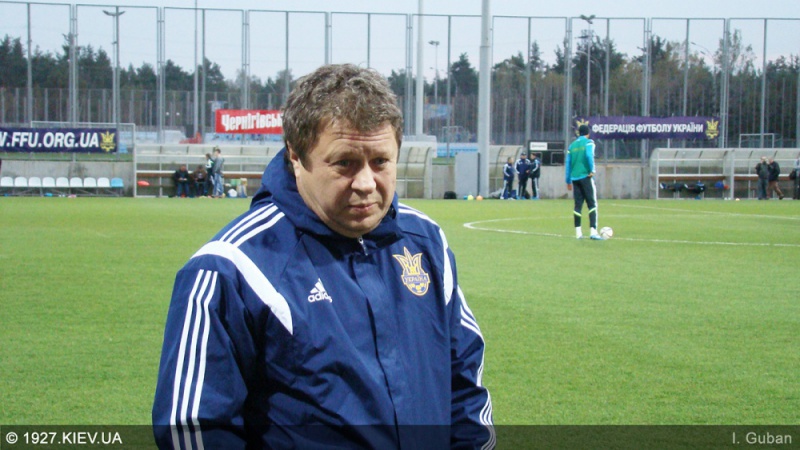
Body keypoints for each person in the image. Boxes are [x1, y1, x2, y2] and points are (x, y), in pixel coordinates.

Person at [152, 63, 494, 449]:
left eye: (381, 162)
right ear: (296, 156)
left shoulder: (425, 242)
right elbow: (194, 430)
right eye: (344, 163)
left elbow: (465, 388)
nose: (366, 183)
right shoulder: (230, 269)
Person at [566, 124, 602, 240]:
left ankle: (578, 233)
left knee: (578, 205)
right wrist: (592, 170)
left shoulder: (572, 146)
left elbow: (568, 164)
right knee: (592, 204)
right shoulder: (589, 142)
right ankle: (593, 231)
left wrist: (568, 180)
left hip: (575, 178)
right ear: (588, 133)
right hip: (585, 176)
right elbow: (589, 155)